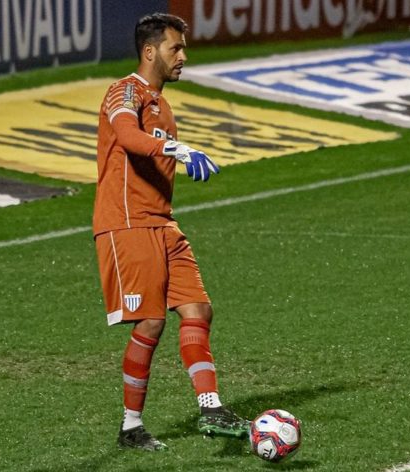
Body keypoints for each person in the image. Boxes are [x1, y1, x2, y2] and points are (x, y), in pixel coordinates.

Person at [93, 12, 250, 452]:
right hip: (126, 222)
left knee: (198, 309)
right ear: (150, 51)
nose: (183, 56)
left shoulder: (163, 104)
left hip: (162, 223)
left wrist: (173, 146)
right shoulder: (123, 91)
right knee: (152, 319)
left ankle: (211, 406)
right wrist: (177, 148)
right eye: (175, 48)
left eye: (183, 48)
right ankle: (130, 426)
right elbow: (126, 136)